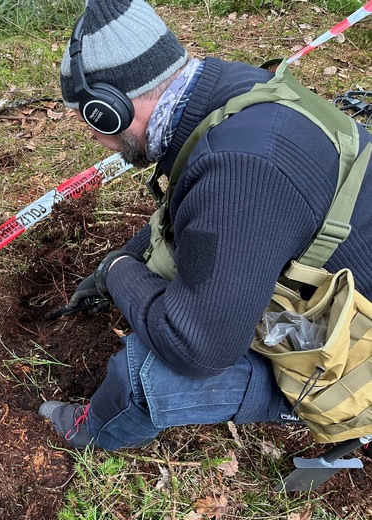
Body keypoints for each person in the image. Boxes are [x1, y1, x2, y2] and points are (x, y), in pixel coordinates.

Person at [38, 0, 372, 450]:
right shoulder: (230, 93)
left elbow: (200, 348)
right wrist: (116, 262)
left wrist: (122, 276)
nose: (93, 138)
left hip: (360, 348)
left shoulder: (240, 168)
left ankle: (91, 432)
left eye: (89, 123)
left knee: (144, 371)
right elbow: (196, 218)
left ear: (109, 110)